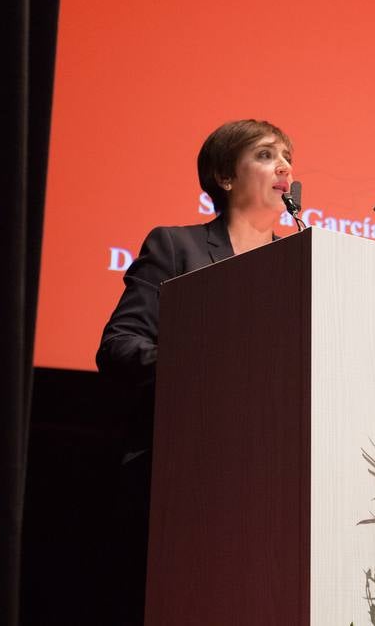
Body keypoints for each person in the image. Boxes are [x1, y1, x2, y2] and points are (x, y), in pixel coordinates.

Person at [95, 117, 294, 623]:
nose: (285, 166)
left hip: (274, 481)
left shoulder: (301, 265)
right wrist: (205, 365)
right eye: (266, 155)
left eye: (287, 156)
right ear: (225, 176)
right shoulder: (176, 246)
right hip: (183, 473)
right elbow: (120, 346)